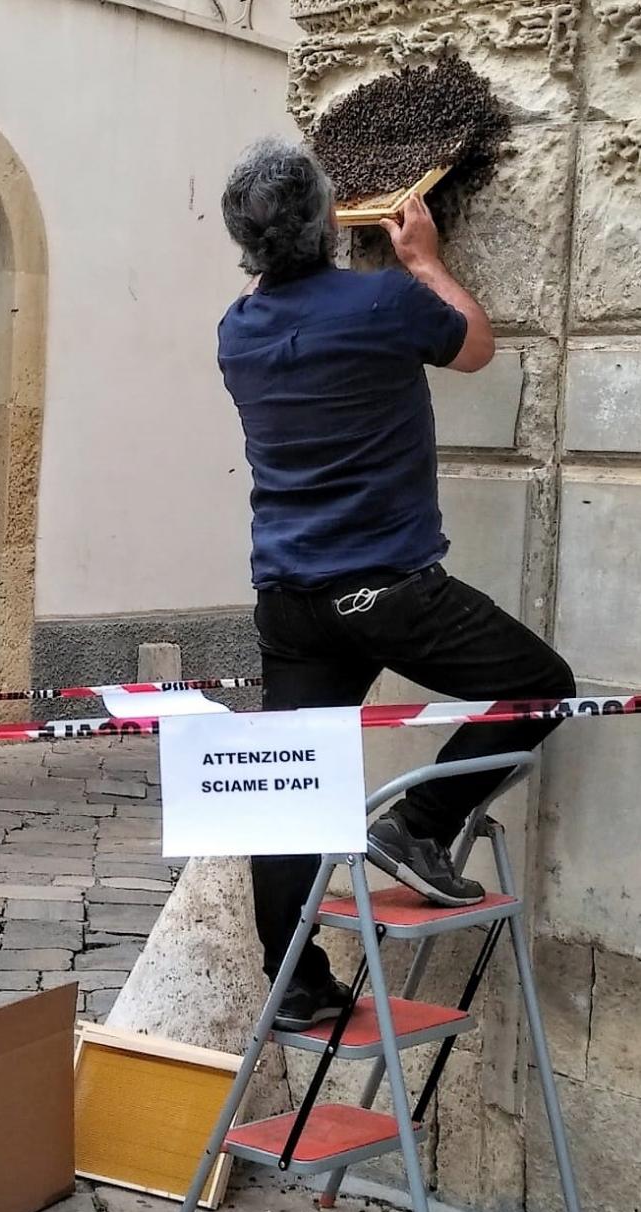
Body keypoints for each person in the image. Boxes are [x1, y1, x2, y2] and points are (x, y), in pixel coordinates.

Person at [216, 141, 575, 1032]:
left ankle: (294, 988)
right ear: (326, 222)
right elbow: (474, 348)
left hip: (288, 601)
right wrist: (424, 260)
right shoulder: (381, 300)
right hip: (385, 586)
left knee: (295, 785)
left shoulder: (238, 328)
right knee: (542, 686)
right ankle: (417, 824)